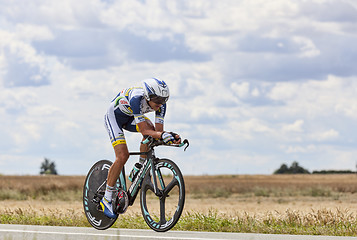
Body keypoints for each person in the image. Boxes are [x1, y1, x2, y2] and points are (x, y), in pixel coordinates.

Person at [101, 78, 181, 218]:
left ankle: (140, 165)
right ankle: (106, 198)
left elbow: (158, 132)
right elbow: (145, 132)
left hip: (130, 118)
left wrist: (171, 138)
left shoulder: (161, 105)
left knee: (152, 130)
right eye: (156, 99)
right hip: (114, 118)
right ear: (147, 95)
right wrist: (163, 135)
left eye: (163, 100)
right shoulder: (136, 99)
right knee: (123, 156)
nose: (159, 104)